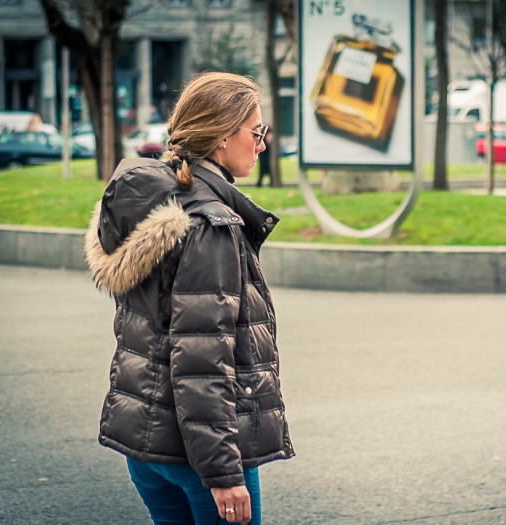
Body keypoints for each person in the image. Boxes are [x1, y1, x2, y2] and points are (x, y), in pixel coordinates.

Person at [84, 72, 294, 525]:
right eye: (257, 132)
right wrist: (223, 473)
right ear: (221, 137)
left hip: (146, 442)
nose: (263, 144)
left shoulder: (157, 201)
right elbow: (202, 357)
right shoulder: (210, 225)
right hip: (199, 457)